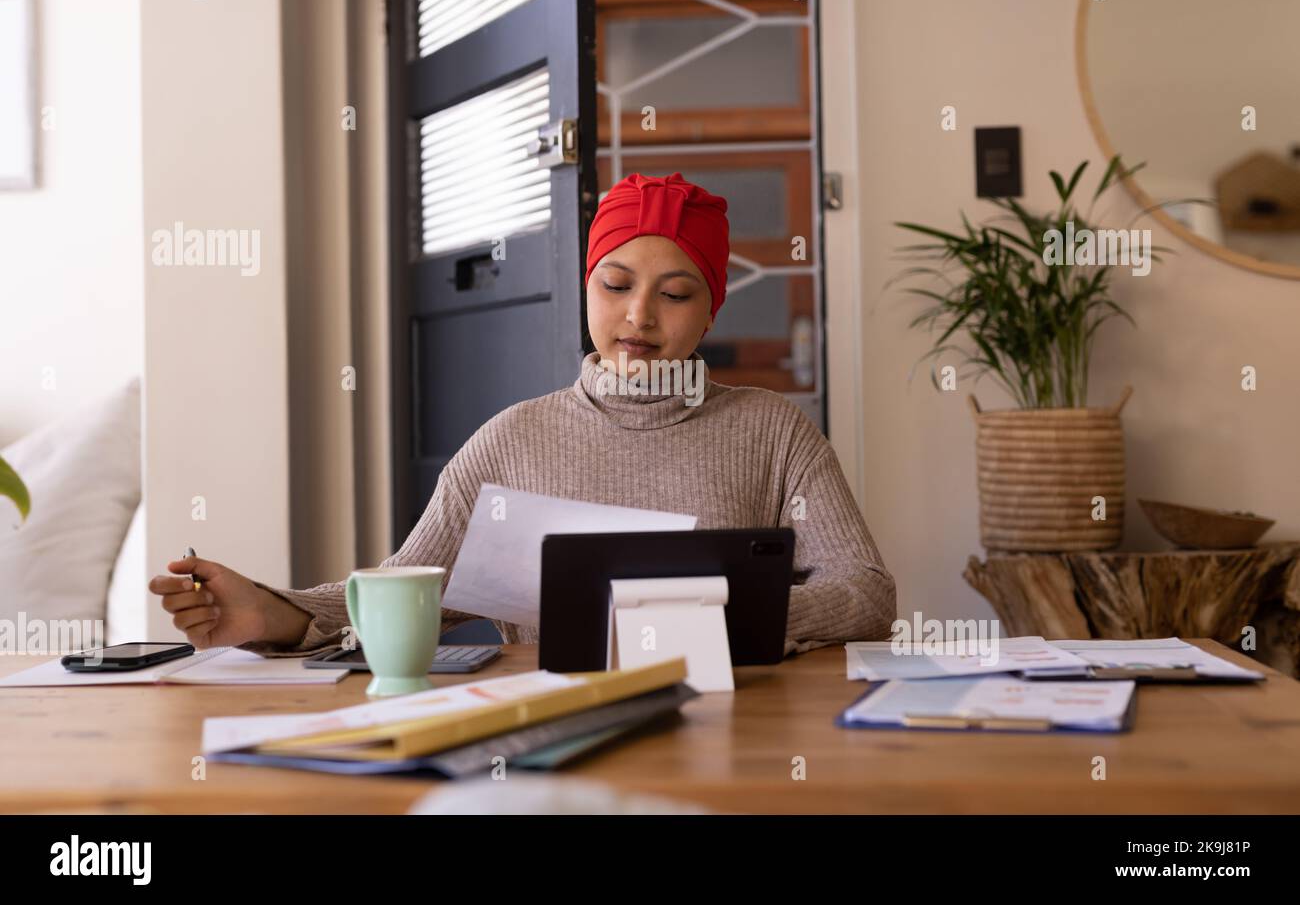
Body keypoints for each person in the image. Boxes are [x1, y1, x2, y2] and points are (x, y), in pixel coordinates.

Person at [150, 172, 896, 659]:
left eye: (675, 293)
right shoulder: (510, 440)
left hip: (732, 726)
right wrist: (273, 611)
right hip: (545, 739)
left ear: (708, 313)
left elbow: (866, 589)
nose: (638, 315)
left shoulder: (774, 432)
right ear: (586, 287)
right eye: (615, 284)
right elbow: (406, 589)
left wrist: (711, 618)